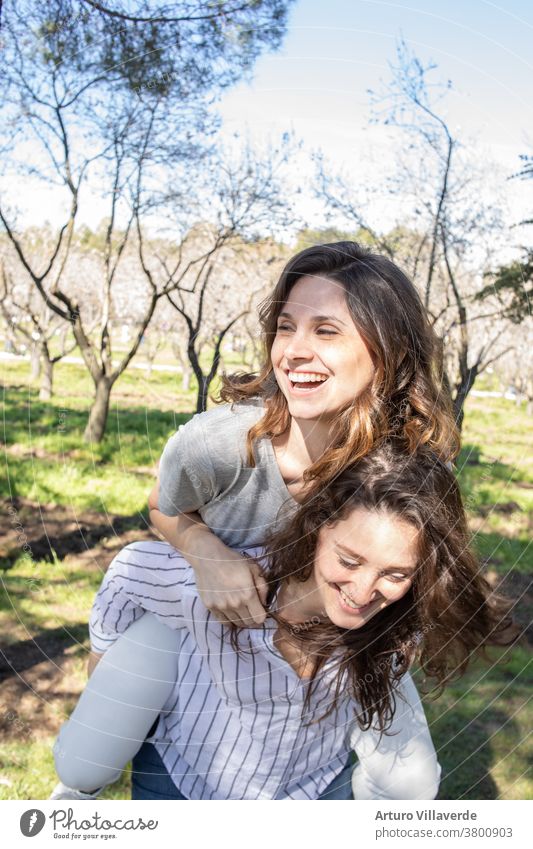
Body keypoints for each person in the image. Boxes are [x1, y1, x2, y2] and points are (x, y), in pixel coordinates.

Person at [50, 240, 460, 799]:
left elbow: (414, 563)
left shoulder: (399, 468)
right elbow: (162, 507)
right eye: (286, 327)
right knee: (93, 759)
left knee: (413, 785)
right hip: (206, 639)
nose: (293, 350)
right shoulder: (220, 444)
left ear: (388, 349)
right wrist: (207, 554)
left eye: (326, 330)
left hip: (325, 650)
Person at [52, 442, 513, 800]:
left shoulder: (398, 613)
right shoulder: (232, 581)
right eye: (349, 560)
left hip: (310, 789)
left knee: (416, 785)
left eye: (394, 574)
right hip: (189, 784)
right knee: (83, 766)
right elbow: (131, 570)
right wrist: (104, 658)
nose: (363, 591)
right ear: (319, 526)